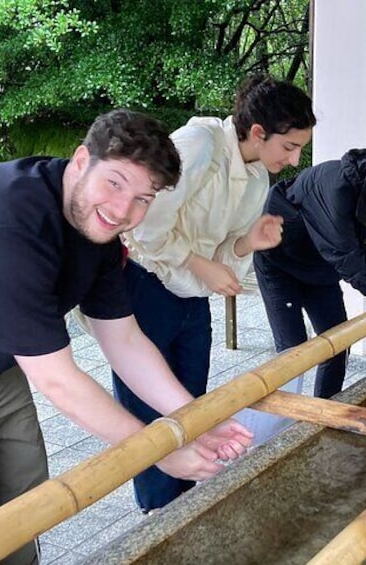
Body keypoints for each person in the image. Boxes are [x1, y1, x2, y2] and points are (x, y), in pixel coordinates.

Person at [0, 109, 253, 565]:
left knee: (23, 508)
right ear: (81, 161)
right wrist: (157, 451)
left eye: (143, 197)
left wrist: (198, 419)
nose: (123, 210)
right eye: (115, 182)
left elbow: (125, 341)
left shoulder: (96, 230)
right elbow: (57, 378)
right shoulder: (9, 221)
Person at [115, 75, 315, 513]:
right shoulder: (199, 143)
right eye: (290, 146)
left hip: (192, 297)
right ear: (258, 132)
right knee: (149, 409)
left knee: (192, 403)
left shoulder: (259, 177)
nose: (295, 158)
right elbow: (145, 226)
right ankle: (156, 513)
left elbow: (224, 249)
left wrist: (249, 243)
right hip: (145, 287)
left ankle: (186, 503)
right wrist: (199, 262)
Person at [253, 139, 366, 399]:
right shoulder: (336, 184)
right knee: (292, 354)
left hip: (320, 269)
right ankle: (281, 432)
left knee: (338, 345)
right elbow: (348, 259)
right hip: (279, 262)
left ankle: (326, 412)